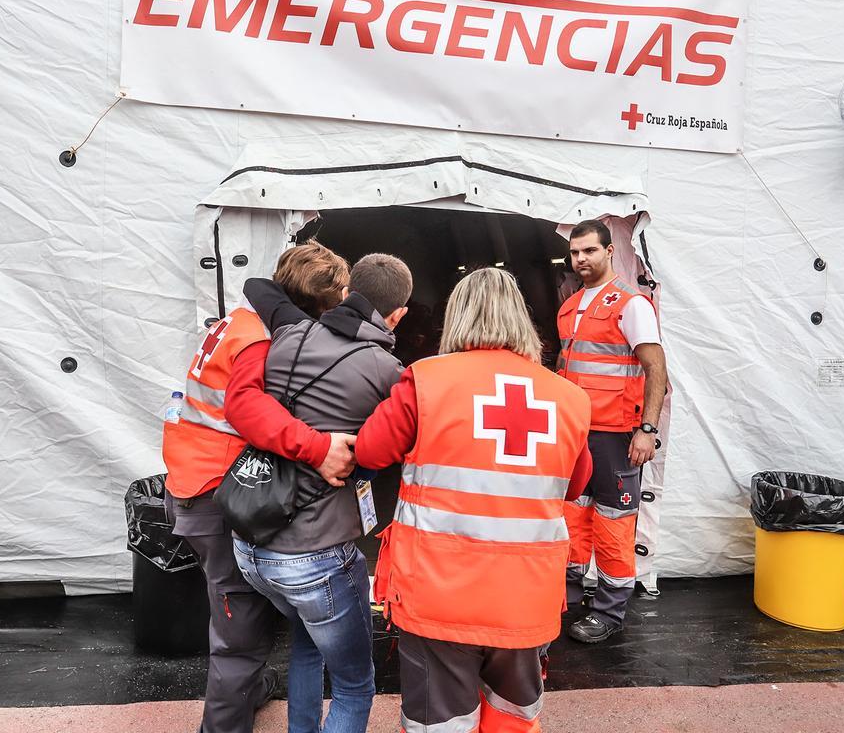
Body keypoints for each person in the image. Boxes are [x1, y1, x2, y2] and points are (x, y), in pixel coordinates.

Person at [355, 267, 592, 732]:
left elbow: (370, 451)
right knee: (513, 718)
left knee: (439, 724)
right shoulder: (569, 398)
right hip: (528, 597)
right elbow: (577, 484)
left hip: (438, 596)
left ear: (457, 317)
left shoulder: (425, 380)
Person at [161, 241, 355, 733]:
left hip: (190, 478)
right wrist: (317, 447)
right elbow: (247, 409)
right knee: (239, 631)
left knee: (237, 613)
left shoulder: (238, 320)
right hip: (214, 493)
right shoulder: (258, 340)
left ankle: (249, 691)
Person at [225, 253, 413, 733]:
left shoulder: (290, 334)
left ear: (349, 293)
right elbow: (390, 448)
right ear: (399, 316)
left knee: (309, 643)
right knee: (354, 686)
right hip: (315, 558)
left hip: (251, 545)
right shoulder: (387, 370)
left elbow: (259, 286)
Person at [556, 219, 668, 644]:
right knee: (572, 515)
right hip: (575, 433)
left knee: (613, 523)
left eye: (589, 251)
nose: (581, 259)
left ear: (608, 252)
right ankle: (567, 594)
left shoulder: (631, 305)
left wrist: (647, 430)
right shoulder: (569, 307)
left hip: (615, 436)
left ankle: (609, 610)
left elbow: (656, 368)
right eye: (575, 253)